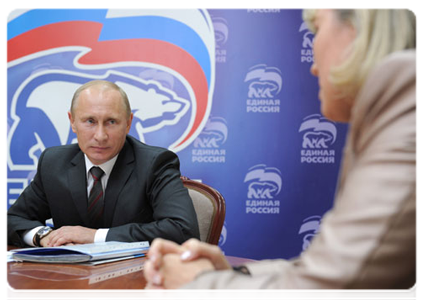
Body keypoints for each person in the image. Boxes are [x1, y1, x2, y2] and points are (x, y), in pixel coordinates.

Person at [144, 8, 420, 300]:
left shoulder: (407, 97)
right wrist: (227, 277)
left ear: (354, 31)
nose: (313, 66)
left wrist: (194, 285)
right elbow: (325, 270)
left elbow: (321, 290)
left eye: (318, 29)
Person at [5, 80, 200, 248]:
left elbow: (182, 230)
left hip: (134, 281)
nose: (100, 136)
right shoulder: (54, 163)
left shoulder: (155, 164)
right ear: (72, 122)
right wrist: (43, 237)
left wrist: (95, 236)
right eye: (90, 121)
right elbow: (11, 221)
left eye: (111, 122)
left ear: (128, 122)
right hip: (68, 280)